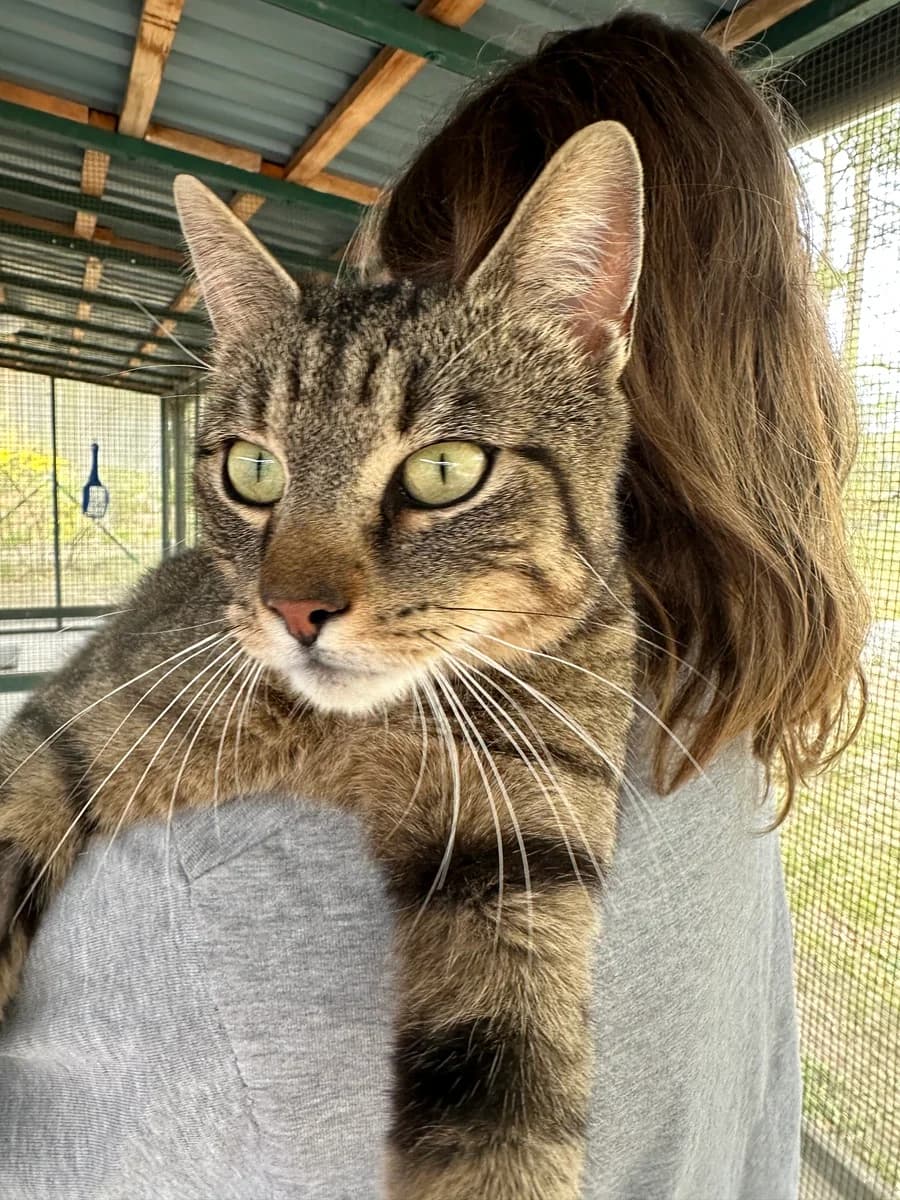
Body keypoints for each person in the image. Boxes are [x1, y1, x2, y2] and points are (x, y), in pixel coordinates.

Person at [0, 13, 867, 1199]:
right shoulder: (723, 724)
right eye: (254, 474)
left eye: (439, 473)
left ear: (596, 337)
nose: (299, 596)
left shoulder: (203, 892)